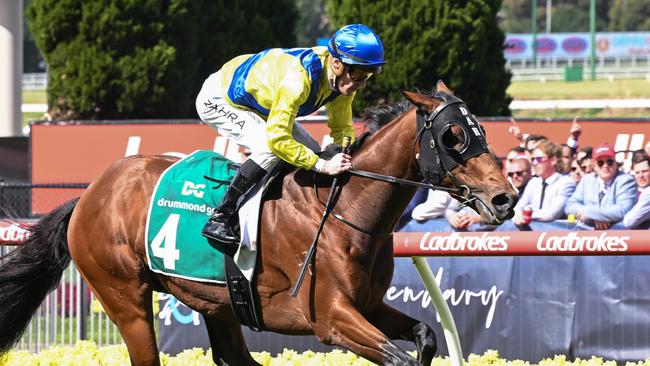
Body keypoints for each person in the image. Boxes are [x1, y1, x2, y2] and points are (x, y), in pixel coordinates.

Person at [195, 24, 386, 246]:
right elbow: (278, 140)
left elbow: (342, 130)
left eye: (368, 75)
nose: (361, 84)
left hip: (261, 102)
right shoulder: (299, 80)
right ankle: (221, 216)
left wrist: (342, 154)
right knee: (271, 148)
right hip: (221, 98)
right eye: (359, 74)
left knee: (315, 151)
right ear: (337, 64)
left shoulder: (343, 81)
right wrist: (322, 166)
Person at [565, 143, 637, 230]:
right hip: (588, 236)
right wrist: (597, 217)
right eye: (600, 163)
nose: (605, 166)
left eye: (609, 162)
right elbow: (569, 206)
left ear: (615, 163)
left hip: (617, 236)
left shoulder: (626, 180)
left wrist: (590, 214)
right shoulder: (587, 180)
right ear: (594, 165)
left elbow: (623, 210)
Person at [511, 140, 575, 224]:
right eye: (533, 159)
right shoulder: (533, 182)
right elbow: (517, 208)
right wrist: (518, 216)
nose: (534, 163)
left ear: (553, 160)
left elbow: (552, 213)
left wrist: (526, 216)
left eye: (539, 159)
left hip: (555, 234)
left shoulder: (566, 183)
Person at [623, 155, 650, 229]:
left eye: (644, 171)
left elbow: (629, 222)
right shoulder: (630, 191)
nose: (640, 176)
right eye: (637, 172)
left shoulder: (648, 193)